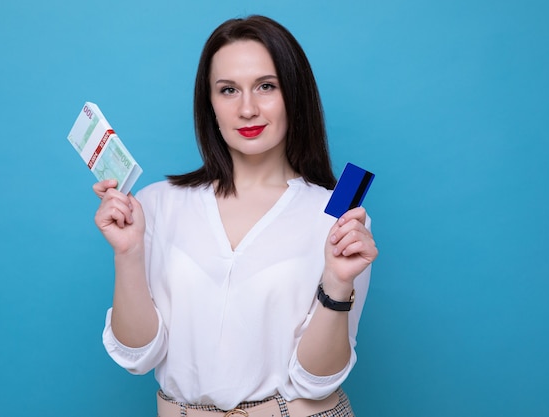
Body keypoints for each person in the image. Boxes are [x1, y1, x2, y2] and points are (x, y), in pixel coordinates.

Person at [92, 15, 377, 417]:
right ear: (209, 103)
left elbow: (317, 379)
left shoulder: (337, 217)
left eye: (266, 86)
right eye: (228, 90)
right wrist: (128, 253)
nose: (247, 108)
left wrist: (337, 283)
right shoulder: (156, 204)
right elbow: (137, 355)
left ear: (294, 94)